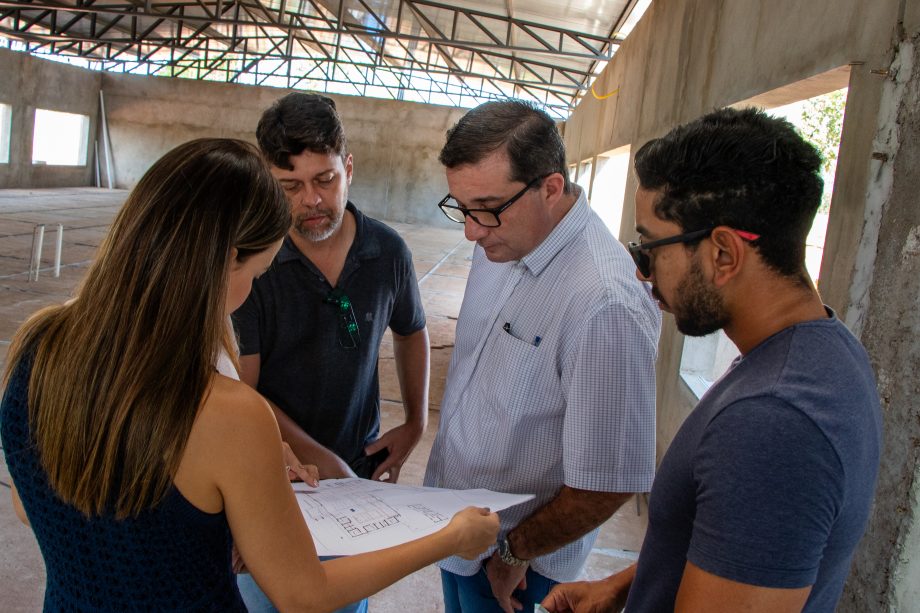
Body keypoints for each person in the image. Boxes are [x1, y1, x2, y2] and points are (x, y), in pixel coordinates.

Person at [0, 138, 499, 612]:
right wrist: (449, 538)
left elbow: (32, 509)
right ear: (223, 263)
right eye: (255, 275)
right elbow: (304, 596)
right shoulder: (227, 411)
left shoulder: (36, 345)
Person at [542, 107, 882, 613]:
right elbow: (741, 549)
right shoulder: (823, 347)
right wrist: (626, 587)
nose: (641, 273)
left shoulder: (773, 422)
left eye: (649, 249)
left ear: (724, 253)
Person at [423, 100, 661, 613]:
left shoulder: (604, 304)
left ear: (550, 188)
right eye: (461, 208)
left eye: (484, 208)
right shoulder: (501, 237)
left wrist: (514, 552)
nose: (470, 230)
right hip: (458, 531)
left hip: (520, 567)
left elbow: (608, 482)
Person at [233, 92, 430, 484]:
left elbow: (411, 332)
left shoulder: (387, 252)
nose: (312, 200)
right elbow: (243, 392)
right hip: (279, 461)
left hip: (360, 458)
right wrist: (317, 458)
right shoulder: (251, 266)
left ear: (349, 169)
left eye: (325, 179)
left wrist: (416, 424)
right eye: (290, 187)